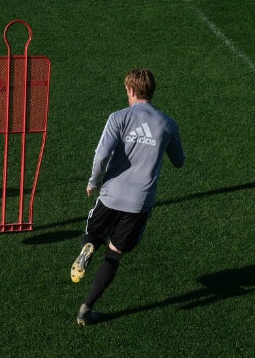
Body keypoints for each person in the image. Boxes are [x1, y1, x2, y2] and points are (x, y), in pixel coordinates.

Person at [70, 69, 186, 325]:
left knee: (94, 234)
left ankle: (88, 247)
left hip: (111, 195)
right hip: (139, 203)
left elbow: (101, 156)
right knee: (114, 255)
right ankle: (86, 309)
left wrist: (93, 182)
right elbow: (179, 161)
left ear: (132, 91)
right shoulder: (167, 124)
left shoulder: (118, 118)